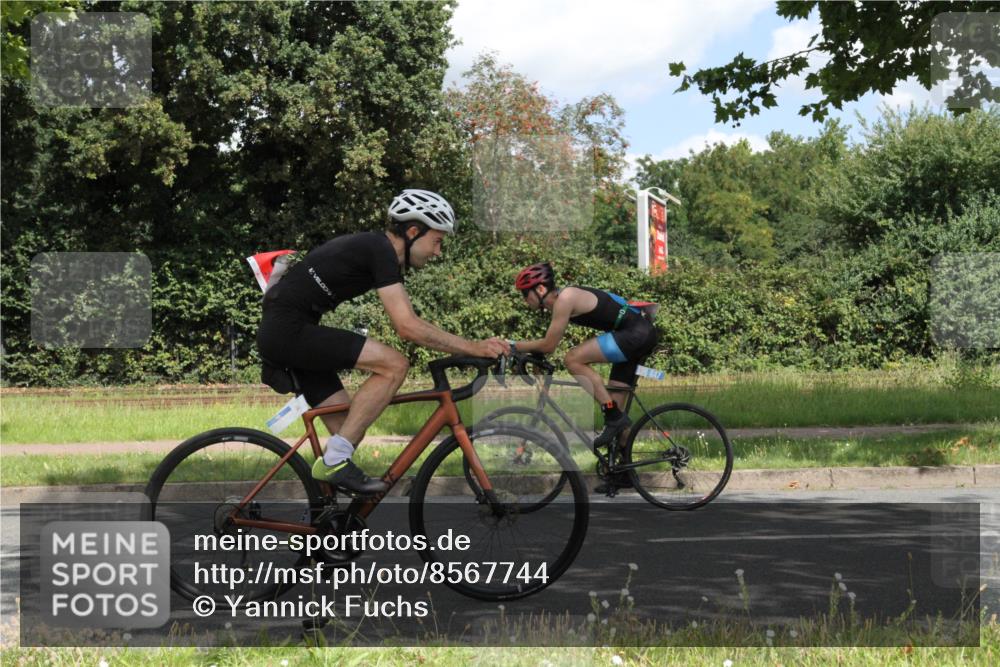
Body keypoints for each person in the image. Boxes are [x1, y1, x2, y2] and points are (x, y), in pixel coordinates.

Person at [257, 189, 509, 494]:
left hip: (287, 331)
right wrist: (473, 346)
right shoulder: (380, 249)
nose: (438, 252)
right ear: (414, 231)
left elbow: (408, 321)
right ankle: (334, 464)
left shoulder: (375, 248)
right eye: (437, 241)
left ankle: (328, 517)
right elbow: (407, 326)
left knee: (348, 428)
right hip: (288, 332)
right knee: (394, 364)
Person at [508, 263, 659, 486]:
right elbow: (546, 343)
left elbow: (549, 345)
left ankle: (612, 416)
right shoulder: (562, 301)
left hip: (634, 333)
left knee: (573, 359)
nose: (524, 300)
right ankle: (624, 472)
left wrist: (511, 345)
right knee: (617, 408)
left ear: (540, 289)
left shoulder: (565, 299)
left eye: (525, 294)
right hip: (635, 333)